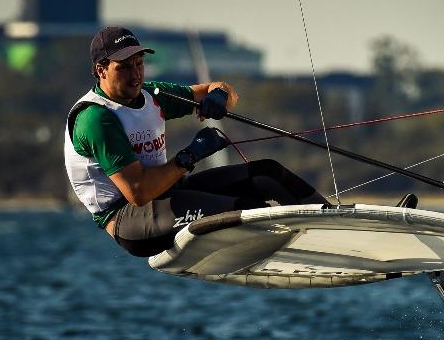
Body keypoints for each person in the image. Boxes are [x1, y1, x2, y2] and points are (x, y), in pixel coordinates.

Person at [64, 26, 327, 257]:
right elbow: (139, 193)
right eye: (124, 68)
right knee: (248, 212)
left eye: (139, 63)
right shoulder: (96, 119)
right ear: (101, 70)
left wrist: (220, 96)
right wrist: (189, 156)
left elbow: (217, 87)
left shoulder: (151, 96)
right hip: (130, 220)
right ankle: (295, 249)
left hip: (169, 193)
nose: (135, 75)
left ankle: (333, 222)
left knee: (268, 174)